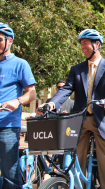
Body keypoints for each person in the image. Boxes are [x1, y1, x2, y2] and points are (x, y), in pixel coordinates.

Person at [38, 29, 105, 188]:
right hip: (80, 119)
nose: (82, 47)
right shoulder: (76, 69)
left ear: (96, 44)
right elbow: (65, 89)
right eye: (81, 44)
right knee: (74, 158)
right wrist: (52, 103)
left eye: (85, 43)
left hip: (103, 118)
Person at [0, 22, 37, 189]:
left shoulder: (20, 64)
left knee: (10, 174)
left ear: (10, 41)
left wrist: (17, 101)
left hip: (7, 126)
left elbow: (32, 94)